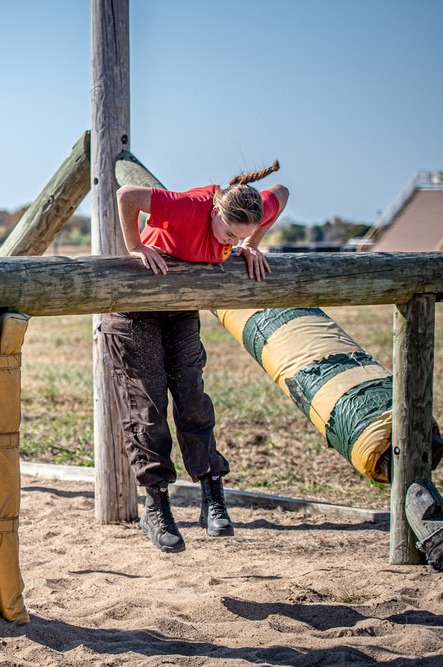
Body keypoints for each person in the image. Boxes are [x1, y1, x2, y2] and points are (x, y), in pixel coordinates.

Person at [101, 161, 289, 553]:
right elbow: (127, 195)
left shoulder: (250, 211)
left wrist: (252, 245)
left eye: (241, 237)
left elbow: (282, 194)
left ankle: (212, 499)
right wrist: (136, 246)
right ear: (216, 211)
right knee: (146, 405)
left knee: (192, 396)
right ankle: (157, 507)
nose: (230, 244)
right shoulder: (189, 207)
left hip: (181, 304)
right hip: (135, 308)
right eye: (228, 233)